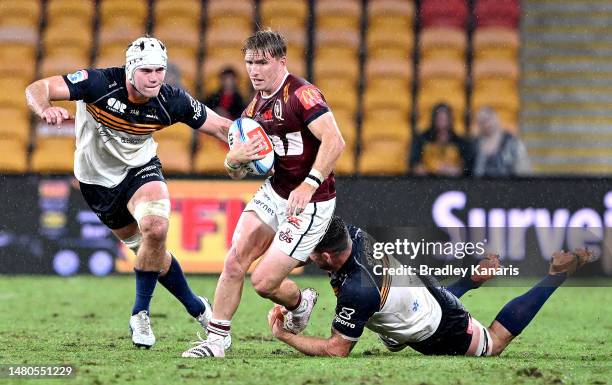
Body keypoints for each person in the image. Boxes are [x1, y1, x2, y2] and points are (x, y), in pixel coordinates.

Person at [25, 36, 233, 349]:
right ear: (130, 69)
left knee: (156, 227)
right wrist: (44, 108)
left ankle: (140, 313)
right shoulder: (98, 83)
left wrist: (250, 142)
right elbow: (37, 87)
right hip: (96, 184)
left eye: (159, 70)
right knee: (149, 252)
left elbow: (219, 126)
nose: (155, 77)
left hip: (141, 170)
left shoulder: (170, 99)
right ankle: (196, 306)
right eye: (147, 70)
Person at [182, 29, 345, 358]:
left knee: (264, 282)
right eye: (249, 63)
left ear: (281, 61)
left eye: (262, 62)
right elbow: (236, 168)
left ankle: (301, 303)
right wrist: (233, 160)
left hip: (311, 201)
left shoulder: (303, 94)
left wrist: (309, 183)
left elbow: (335, 141)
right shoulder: (254, 108)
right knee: (234, 261)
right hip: (276, 191)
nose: (254, 70)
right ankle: (217, 341)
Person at [267, 216, 593, 357]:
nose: (306, 256)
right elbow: (318, 251)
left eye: (312, 253)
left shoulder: (358, 289)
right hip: (414, 288)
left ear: (327, 255)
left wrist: (285, 335)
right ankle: (470, 280)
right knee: (393, 333)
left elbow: (336, 350)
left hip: (437, 327)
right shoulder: (350, 234)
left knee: (493, 343)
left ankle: (554, 274)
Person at [411, 103, 474, 177]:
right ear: (433, 119)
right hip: (427, 181)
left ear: (450, 120)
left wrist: (456, 170)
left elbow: (467, 166)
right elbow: (414, 163)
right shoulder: (422, 139)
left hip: (453, 182)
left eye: (445, 118)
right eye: (439, 118)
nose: (442, 122)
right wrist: (428, 169)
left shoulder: (460, 141)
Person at [472, 106, 530, 177]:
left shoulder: (513, 143)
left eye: (488, 119)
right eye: (482, 122)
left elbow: (523, 171)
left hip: (508, 185)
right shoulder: (475, 145)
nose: (486, 125)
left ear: (496, 118)